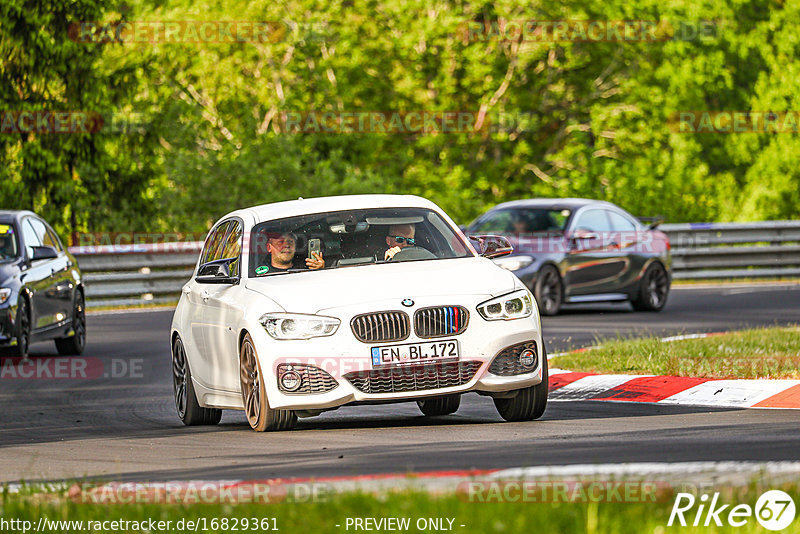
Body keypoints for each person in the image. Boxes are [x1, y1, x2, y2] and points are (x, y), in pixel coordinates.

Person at [257, 232, 324, 274]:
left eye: (290, 241)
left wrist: (320, 271)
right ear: (269, 247)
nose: (287, 245)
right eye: (280, 242)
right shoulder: (259, 274)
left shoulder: (307, 268)